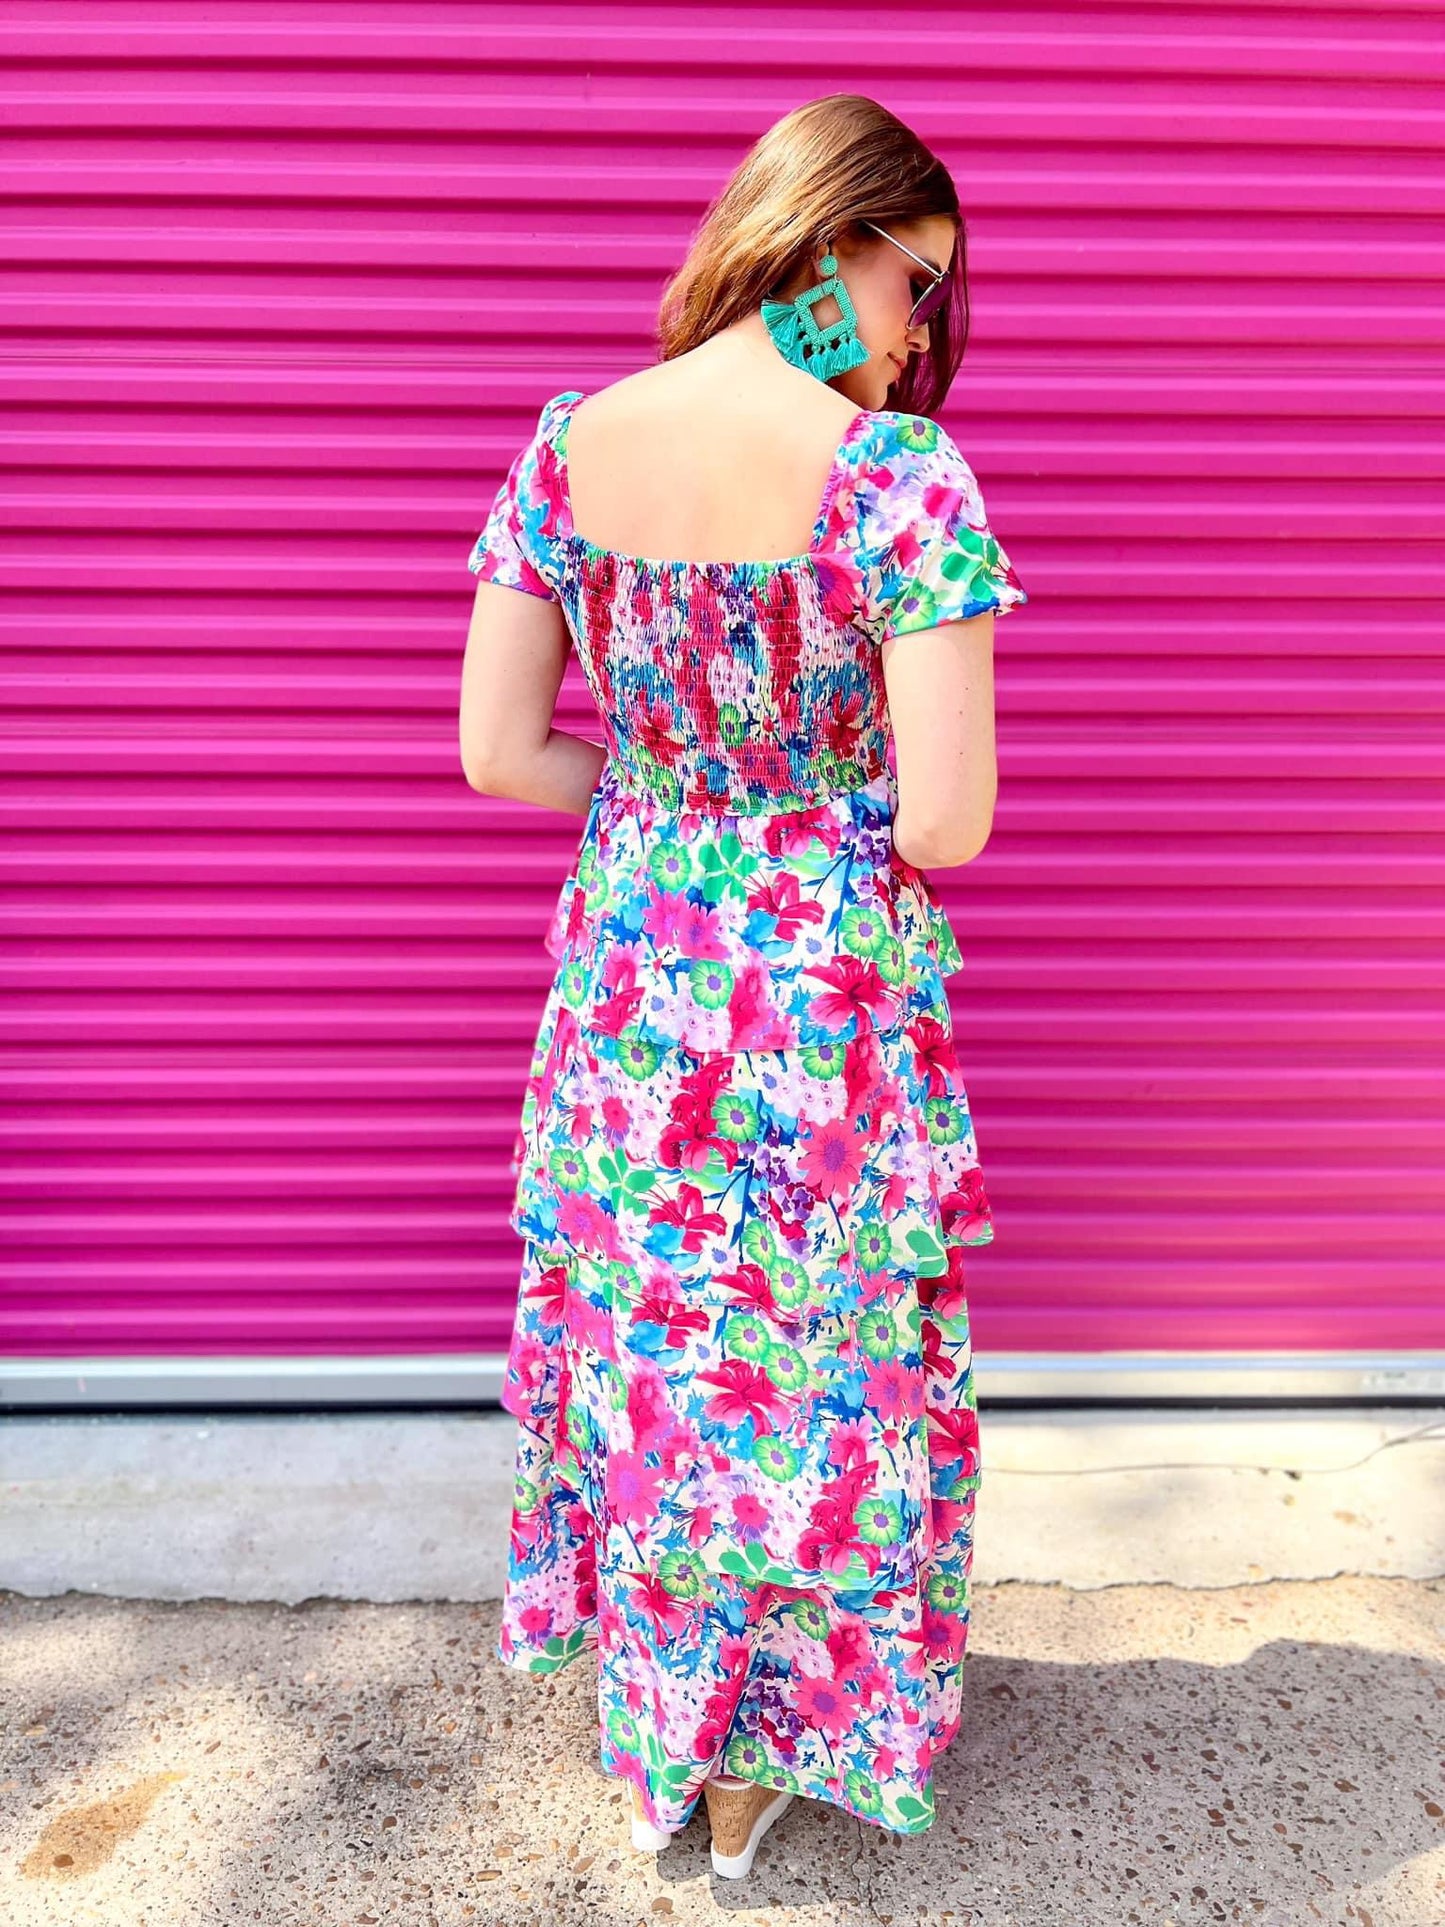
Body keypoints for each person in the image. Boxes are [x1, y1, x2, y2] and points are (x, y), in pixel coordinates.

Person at [457, 93, 1028, 1879]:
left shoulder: (571, 443)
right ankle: (776, 1741)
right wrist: (794, 824)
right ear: (826, 239)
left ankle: (674, 1735)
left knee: (658, 1353)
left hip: (632, 971)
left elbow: (495, 754)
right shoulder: (891, 480)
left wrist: (665, 804)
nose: (915, 328)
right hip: (813, 997)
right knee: (806, 1358)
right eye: (914, 280)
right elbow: (943, 820)